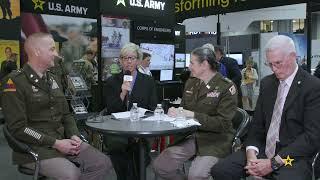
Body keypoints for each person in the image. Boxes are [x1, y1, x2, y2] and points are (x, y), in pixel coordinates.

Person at [1, 33, 113, 180]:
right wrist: (55, 143)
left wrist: (73, 134)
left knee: (102, 162)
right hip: (35, 149)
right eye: (52, 49)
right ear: (37, 52)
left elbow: (66, 115)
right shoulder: (15, 82)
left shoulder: (52, 79)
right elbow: (19, 128)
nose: (57, 54)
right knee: (72, 175)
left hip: (64, 141)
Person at [211, 35, 320, 180]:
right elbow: (257, 126)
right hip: (263, 149)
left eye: (278, 63)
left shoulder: (312, 87)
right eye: (270, 64)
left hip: (292, 156)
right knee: (221, 170)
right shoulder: (268, 83)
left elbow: (311, 137)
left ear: (293, 56)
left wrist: (273, 163)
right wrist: (251, 153)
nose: (274, 69)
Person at [153, 47, 238, 180]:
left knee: (196, 175)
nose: (189, 66)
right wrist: (175, 114)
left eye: (192, 63)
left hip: (215, 140)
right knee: (161, 166)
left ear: (204, 64)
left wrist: (191, 115)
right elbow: (183, 110)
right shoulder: (191, 83)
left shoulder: (226, 87)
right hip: (190, 136)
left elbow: (223, 123)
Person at [104, 42, 158, 180]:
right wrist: (122, 93)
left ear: (138, 60)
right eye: (125, 58)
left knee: (139, 152)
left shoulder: (148, 81)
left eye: (132, 58)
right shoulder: (111, 82)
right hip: (118, 129)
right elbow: (111, 109)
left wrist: (139, 128)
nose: (128, 61)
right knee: (118, 147)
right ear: (121, 61)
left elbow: (152, 107)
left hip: (142, 128)